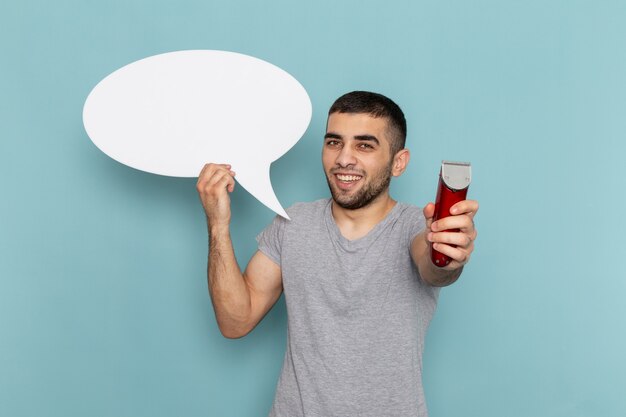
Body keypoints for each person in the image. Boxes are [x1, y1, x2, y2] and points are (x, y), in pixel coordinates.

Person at [196, 91, 479, 417]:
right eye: (333, 142)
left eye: (364, 145)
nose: (344, 158)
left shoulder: (417, 228)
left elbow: (435, 267)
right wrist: (218, 223)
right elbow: (235, 321)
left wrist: (447, 252)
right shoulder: (293, 223)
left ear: (398, 162)